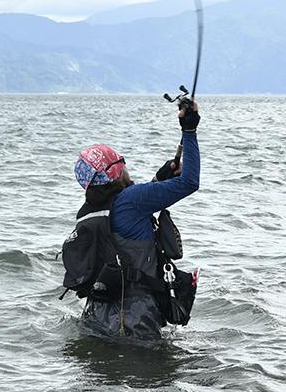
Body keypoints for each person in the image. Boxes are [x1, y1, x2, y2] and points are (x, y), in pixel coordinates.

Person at [68, 99, 200, 339]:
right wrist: (189, 131)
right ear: (115, 172)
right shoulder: (131, 200)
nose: (126, 168)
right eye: (122, 163)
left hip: (96, 315)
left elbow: (130, 217)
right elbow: (190, 182)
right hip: (136, 320)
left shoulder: (89, 211)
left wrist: (160, 179)